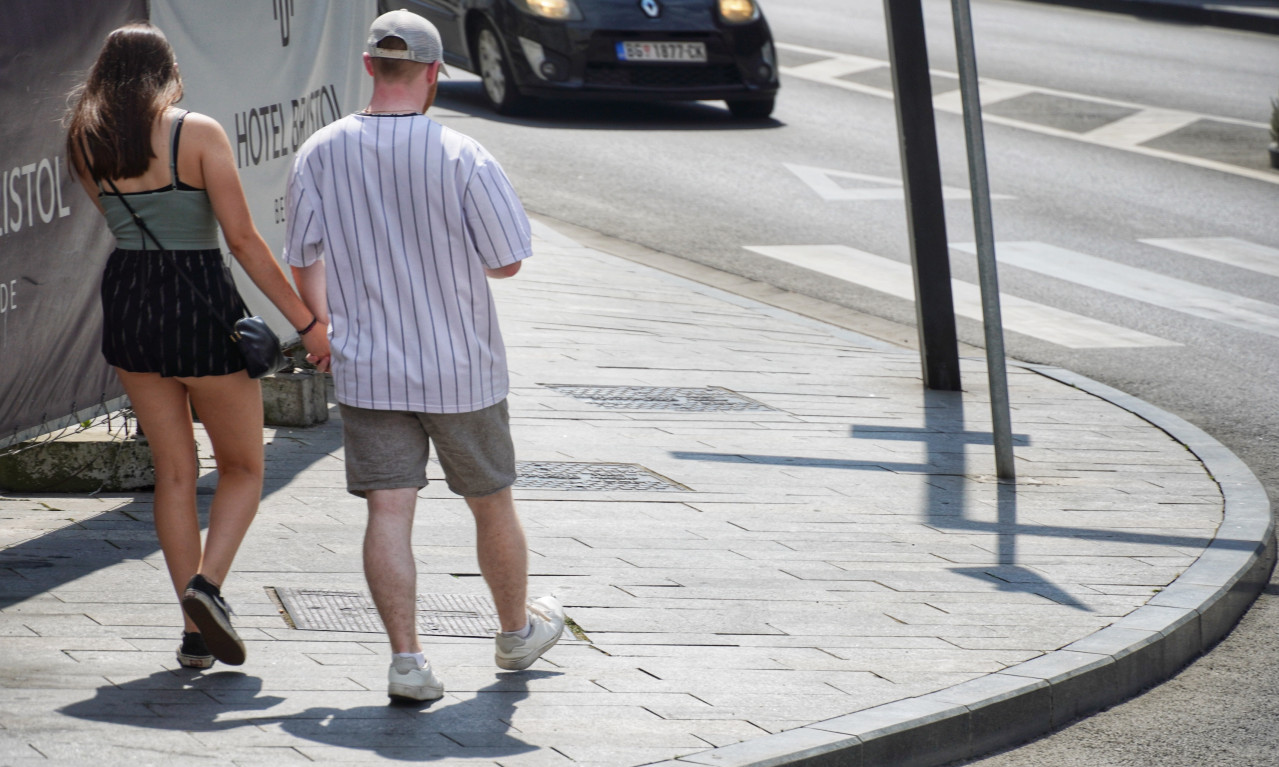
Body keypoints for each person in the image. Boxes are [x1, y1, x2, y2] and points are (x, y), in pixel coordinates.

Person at [283, 9, 563, 704]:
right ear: (435, 74)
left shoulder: (320, 150)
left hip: (368, 366)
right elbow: (506, 264)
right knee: (491, 502)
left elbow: (302, 256)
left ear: (371, 66)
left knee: (388, 510)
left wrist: (321, 324)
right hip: (460, 366)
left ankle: (407, 661)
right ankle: (513, 632)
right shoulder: (463, 154)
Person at [65, 23, 331, 670]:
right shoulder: (199, 133)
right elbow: (242, 242)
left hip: (130, 299)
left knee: (175, 473)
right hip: (199, 305)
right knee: (242, 466)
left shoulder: (84, 138)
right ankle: (207, 586)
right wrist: (306, 322)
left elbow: (118, 221)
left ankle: (192, 634)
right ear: (168, 71)